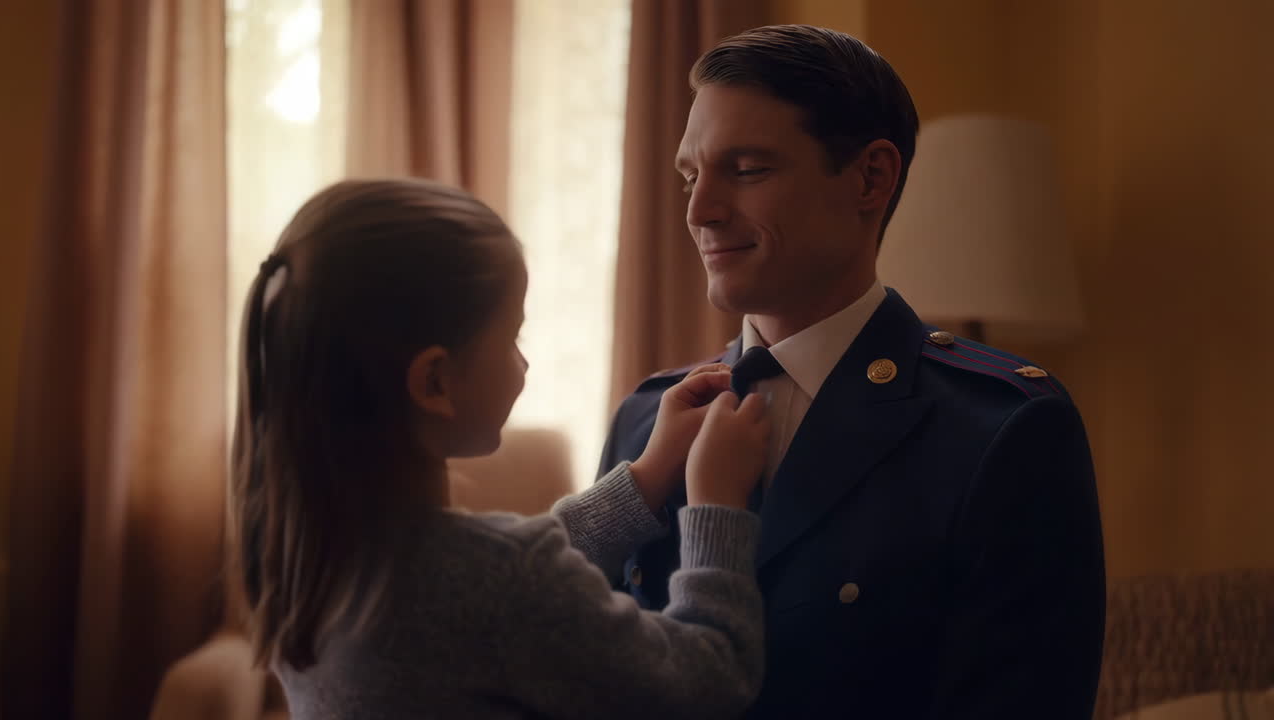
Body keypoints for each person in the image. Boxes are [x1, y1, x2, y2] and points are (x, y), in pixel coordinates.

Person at [599, 25, 1106, 718]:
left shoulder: (1002, 429)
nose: (699, 211)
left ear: (871, 177)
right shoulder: (644, 421)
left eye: (746, 170)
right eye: (691, 175)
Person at [229, 178, 773, 719]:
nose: (524, 363)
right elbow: (711, 680)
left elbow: (498, 589)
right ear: (435, 382)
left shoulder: (301, 553)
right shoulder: (500, 581)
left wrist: (647, 476)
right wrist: (716, 506)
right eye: (513, 337)